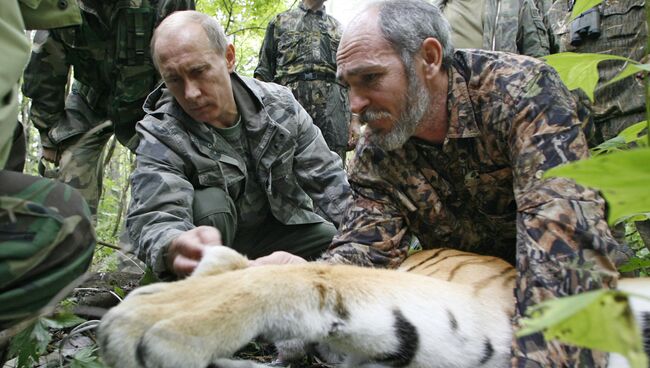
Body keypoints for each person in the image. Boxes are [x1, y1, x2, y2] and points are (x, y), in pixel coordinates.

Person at [309, 0, 631, 366]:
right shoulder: (376, 150)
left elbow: (564, 248)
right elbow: (365, 251)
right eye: (347, 85)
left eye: (370, 78)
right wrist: (305, 287)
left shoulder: (521, 92)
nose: (355, 103)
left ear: (429, 58)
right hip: (475, 289)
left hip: (555, 274)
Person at [126, 10, 351, 279]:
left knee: (334, 240)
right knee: (210, 205)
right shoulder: (161, 132)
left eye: (199, 71)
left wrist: (376, 238)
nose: (191, 93)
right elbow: (153, 215)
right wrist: (174, 245)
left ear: (229, 57)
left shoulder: (281, 108)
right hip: (211, 258)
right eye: (174, 79)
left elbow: (331, 183)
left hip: (277, 237)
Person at [21, 0, 195, 216]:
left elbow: (186, 62)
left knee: (165, 178)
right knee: (68, 182)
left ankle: (153, 240)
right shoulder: (62, 4)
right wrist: (49, 133)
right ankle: (71, 242)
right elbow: (44, 72)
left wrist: (183, 128)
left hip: (150, 100)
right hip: (90, 98)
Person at [0, 0, 95, 349]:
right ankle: (75, 284)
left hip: (145, 100)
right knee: (67, 213)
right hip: (90, 100)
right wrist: (50, 130)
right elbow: (48, 63)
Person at [254, 0, 351, 160]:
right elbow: (263, 73)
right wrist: (260, 116)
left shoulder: (340, 29)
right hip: (287, 109)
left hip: (333, 113)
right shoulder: (280, 22)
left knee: (332, 167)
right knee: (286, 167)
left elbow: (351, 78)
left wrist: (354, 121)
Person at [436, 0, 551, 57]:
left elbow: (536, 54)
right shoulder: (429, 5)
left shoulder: (516, 2)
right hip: (450, 94)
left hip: (500, 93)